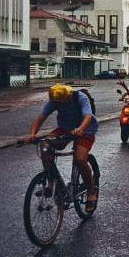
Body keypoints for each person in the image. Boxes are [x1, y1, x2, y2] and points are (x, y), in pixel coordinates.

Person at [25, 83, 99, 213]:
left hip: (86, 129)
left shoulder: (80, 97)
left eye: (61, 103)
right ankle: (50, 183)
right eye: (56, 103)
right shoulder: (55, 100)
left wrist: (80, 129)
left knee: (80, 159)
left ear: (68, 96)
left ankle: (91, 192)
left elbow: (87, 116)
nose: (58, 105)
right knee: (44, 144)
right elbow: (40, 117)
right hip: (65, 129)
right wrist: (32, 134)